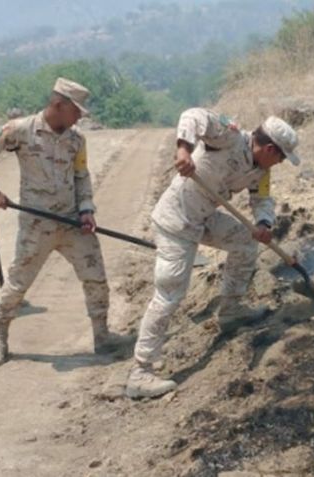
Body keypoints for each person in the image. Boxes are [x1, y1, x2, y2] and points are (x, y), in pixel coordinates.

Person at [125, 108, 300, 399]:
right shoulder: (228, 137)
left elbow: (262, 199)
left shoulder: (261, 169)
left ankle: (231, 310)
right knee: (170, 292)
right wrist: (184, 149)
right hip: (176, 221)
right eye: (281, 157)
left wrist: (264, 223)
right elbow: (193, 115)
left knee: (245, 243)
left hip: (205, 217)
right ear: (270, 148)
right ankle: (140, 372)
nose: (280, 163)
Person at [0, 77, 123, 366]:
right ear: (58, 105)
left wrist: (87, 209)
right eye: (75, 110)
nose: (79, 117)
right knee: (18, 282)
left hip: (71, 222)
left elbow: (81, 177)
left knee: (96, 277)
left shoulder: (77, 139)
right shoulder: (20, 130)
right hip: (36, 224)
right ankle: (0, 338)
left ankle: (102, 336)